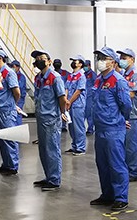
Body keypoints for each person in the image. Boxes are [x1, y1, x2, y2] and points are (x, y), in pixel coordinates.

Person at [89, 47, 132, 211]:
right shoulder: (99, 79)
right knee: (103, 164)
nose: (100, 61)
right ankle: (107, 194)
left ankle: (121, 197)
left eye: (103, 58)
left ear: (112, 62)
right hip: (100, 128)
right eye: (99, 57)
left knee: (116, 164)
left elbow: (126, 104)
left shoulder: (118, 80)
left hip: (113, 128)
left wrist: (121, 119)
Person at [31, 50, 67, 192]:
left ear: (49, 61)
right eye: (37, 58)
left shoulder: (55, 77)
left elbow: (62, 98)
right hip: (41, 117)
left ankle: (54, 180)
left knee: (52, 149)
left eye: (42, 58)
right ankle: (48, 176)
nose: (39, 60)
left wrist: (62, 113)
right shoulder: (38, 78)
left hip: (51, 119)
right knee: (43, 149)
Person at [0, 49, 21, 175]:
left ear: (0, 58)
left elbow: (16, 92)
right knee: (2, 138)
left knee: (10, 138)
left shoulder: (8, 72)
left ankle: (12, 166)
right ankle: (6, 164)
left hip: (7, 110)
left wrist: (12, 104)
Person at [118, 48, 137, 182]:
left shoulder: (136, 74)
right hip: (125, 114)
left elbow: (132, 94)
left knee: (132, 145)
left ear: (132, 59)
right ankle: (128, 169)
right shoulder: (124, 74)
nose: (121, 60)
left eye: (124, 58)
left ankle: (134, 171)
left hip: (134, 114)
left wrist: (116, 97)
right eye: (121, 58)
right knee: (125, 144)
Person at [66, 55, 87, 155]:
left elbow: (78, 91)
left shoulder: (81, 76)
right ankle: (74, 145)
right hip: (69, 104)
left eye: (75, 61)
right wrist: (66, 100)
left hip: (77, 104)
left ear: (80, 64)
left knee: (78, 126)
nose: (73, 62)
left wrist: (69, 102)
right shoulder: (71, 75)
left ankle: (80, 147)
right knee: (71, 126)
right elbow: (66, 88)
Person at [8, 60, 28, 125]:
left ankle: (18, 127)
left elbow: (18, 87)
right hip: (12, 97)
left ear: (18, 67)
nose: (12, 68)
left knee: (18, 113)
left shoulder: (21, 77)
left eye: (13, 66)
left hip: (19, 98)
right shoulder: (11, 74)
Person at [84, 59, 97, 135]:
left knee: (89, 113)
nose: (85, 67)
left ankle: (90, 129)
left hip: (90, 97)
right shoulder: (84, 75)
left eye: (86, 66)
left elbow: (95, 85)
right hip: (84, 97)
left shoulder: (93, 74)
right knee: (84, 113)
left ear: (89, 66)